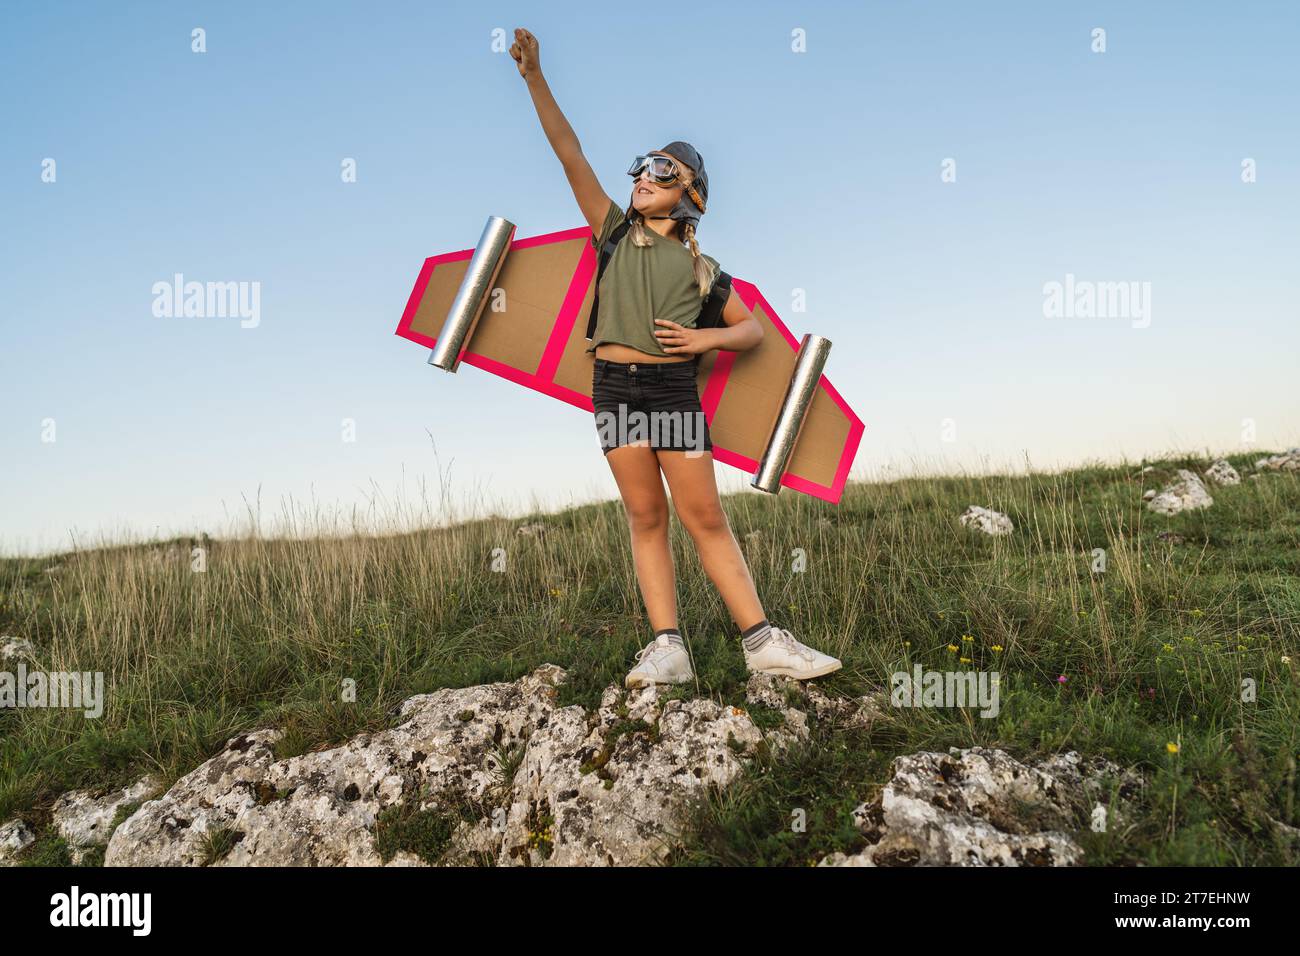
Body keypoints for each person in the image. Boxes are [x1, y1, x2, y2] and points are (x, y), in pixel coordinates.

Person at [509, 27, 841, 688]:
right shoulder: (612, 233)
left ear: (690, 195)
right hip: (614, 390)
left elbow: (750, 332)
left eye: (662, 170)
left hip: (671, 395)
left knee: (705, 518)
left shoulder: (702, 269)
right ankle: (669, 649)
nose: (643, 176)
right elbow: (569, 151)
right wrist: (534, 77)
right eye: (641, 166)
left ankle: (762, 643)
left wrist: (704, 341)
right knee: (645, 516)